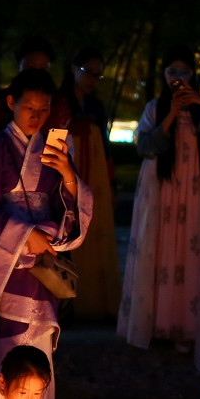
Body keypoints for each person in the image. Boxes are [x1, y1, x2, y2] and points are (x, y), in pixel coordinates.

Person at [0, 68, 91, 399]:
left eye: (44, 110)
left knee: (38, 351)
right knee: (0, 353)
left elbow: (70, 206)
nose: (36, 116)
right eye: (29, 107)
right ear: (11, 103)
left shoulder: (52, 149)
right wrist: (24, 233)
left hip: (40, 266)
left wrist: (66, 175)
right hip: (2, 265)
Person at [118, 46, 200, 368]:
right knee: (158, 251)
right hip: (160, 191)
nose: (178, 78)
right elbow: (145, 147)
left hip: (191, 193)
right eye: (172, 72)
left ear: (194, 74)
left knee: (186, 255)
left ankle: (183, 326)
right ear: (164, 76)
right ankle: (152, 322)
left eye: (184, 71)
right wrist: (171, 115)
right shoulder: (154, 107)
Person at [59, 46, 121, 321]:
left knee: (96, 230)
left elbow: (105, 144)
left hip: (94, 170)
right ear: (74, 68)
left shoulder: (97, 106)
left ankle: (97, 301)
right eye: (88, 72)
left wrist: (111, 180)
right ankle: (71, 302)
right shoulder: (60, 101)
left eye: (98, 75)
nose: (92, 79)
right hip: (70, 167)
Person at [0, 36, 71, 146]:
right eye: (30, 68)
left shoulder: (58, 105)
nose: (36, 74)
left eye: (43, 109)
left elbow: (64, 147)